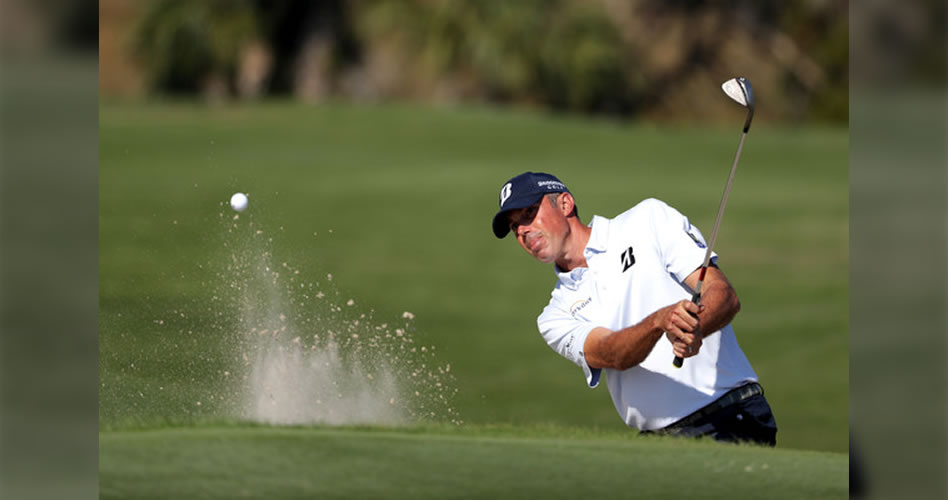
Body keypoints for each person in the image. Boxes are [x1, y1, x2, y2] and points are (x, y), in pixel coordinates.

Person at [491, 171, 777, 446]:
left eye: (529, 213)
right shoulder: (554, 315)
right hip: (659, 445)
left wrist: (698, 326)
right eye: (515, 227)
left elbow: (722, 293)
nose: (523, 231)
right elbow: (610, 354)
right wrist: (658, 322)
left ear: (565, 203)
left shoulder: (647, 220)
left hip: (731, 417)